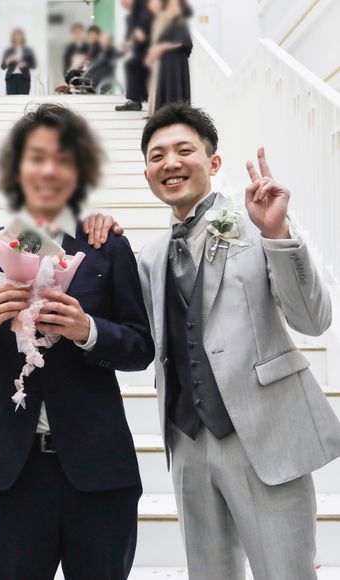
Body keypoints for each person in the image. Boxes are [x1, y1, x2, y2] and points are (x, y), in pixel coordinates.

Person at [91, 102, 340, 579]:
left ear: (214, 161)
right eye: (157, 156)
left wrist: (278, 234)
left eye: (184, 150)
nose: (171, 163)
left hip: (265, 434)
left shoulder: (258, 223)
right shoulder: (150, 255)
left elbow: (313, 320)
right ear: (147, 174)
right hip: (187, 440)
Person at [0, 103, 155, 580]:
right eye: (35, 157)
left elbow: (141, 348)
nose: (48, 170)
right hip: (12, 469)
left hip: (98, 467)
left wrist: (89, 331)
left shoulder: (107, 247)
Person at [145, 0, 192, 117]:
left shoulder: (181, 23)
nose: (172, 8)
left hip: (176, 63)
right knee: (165, 90)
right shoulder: (168, 22)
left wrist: (163, 47)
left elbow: (183, 42)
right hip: (167, 63)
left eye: (175, 5)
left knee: (175, 90)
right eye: (171, 5)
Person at [115, 0, 155, 112]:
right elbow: (131, 37)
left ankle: (136, 100)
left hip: (149, 48)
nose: (124, 4)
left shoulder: (144, 11)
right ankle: (137, 99)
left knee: (132, 65)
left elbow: (142, 36)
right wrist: (125, 46)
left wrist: (135, 34)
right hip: (141, 50)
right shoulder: (131, 17)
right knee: (132, 64)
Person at [1, 28, 37, 96]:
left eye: (19, 35)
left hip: (24, 78)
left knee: (23, 99)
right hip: (11, 78)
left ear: (23, 37)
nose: (17, 37)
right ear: (13, 37)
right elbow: (2, 66)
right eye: (16, 35)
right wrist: (8, 60)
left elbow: (33, 65)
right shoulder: (8, 50)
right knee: (11, 99)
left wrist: (25, 64)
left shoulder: (28, 50)